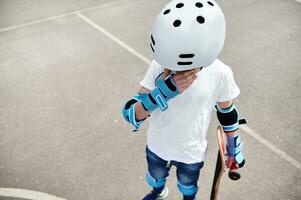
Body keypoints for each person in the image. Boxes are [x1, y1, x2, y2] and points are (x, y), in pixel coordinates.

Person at [122, 0, 245, 199]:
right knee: (155, 178)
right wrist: (160, 94)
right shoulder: (158, 65)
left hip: (191, 151)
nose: (178, 70)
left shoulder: (221, 72)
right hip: (158, 145)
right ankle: (158, 192)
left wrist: (234, 146)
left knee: (188, 186)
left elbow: (227, 112)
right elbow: (131, 114)